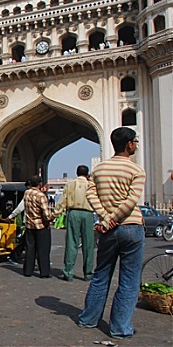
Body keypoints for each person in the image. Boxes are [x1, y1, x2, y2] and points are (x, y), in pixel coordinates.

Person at [77, 127, 146, 340]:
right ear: (129, 144)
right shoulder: (136, 170)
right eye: (135, 141)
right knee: (129, 279)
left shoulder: (99, 169)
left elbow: (91, 193)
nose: (136, 144)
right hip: (131, 228)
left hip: (108, 230)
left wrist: (106, 219)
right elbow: (131, 201)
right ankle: (120, 327)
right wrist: (114, 219)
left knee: (101, 275)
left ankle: (88, 319)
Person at [52, 165, 95, 282]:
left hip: (73, 213)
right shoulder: (91, 185)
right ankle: (88, 273)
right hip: (88, 214)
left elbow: (62, 201)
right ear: (87, 174)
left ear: (77, 173)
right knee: (89, 244)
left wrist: (54, 215)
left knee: (72, 243)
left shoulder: (70, 184)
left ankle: (68, 272)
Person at [23, 175, 52, 278]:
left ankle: (28, 270)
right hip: (41, 226)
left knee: (30, 249)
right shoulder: (41, 196)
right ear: (40, 184)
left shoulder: (26, 193)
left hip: (29, 225)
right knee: (43, 249)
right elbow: (46, 213)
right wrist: (50, 220)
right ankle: (44, 272)